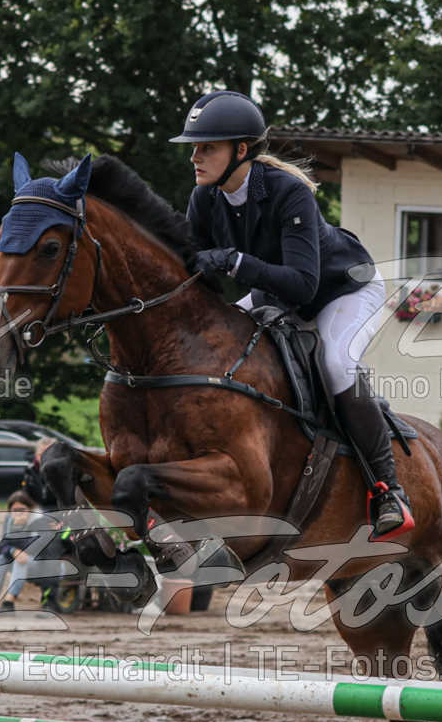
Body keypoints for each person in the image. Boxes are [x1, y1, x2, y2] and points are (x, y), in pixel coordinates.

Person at [172, 89, 414, 540]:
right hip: (274, 294)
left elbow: (303, 285)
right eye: (194, 147)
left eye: (207, 147)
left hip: (343, 289)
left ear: (241, 150)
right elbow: (195, 270)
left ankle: (388, 490)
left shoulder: (289, 193)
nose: (195, 157)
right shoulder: (204, 198)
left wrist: (235, 262)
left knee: (336, 363)